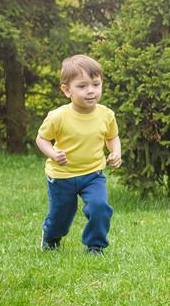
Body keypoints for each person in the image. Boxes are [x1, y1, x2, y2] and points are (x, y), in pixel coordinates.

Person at [35, 54, 122, 254]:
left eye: (96, 84)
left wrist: (116, 152)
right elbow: (41, 139)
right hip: (62, 176)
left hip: (93, 174)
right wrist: (53, 153)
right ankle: (51, 236)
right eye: (82, 86)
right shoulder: (58, 116)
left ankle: (95, 246)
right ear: (67, 90)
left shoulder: (106, 115)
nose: (91, 91)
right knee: (61, 216)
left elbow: (112, 136)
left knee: (100, 207)